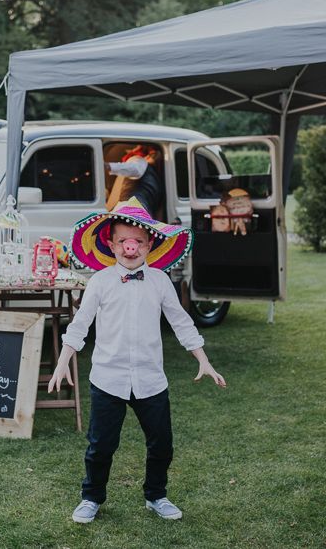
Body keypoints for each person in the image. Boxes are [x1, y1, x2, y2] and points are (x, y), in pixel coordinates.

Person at [50, 197, 226, 524]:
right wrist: (63, 362)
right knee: (100, 447)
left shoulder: (160, 282)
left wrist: (203, 359)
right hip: (108, 379)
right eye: (123, 242)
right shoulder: (100, 282)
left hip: (150, 380)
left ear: (149, 245)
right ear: (111, 244)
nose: (130, 248)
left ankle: (156, 495)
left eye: (138, 242)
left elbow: (182, 322)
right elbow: (80, 325)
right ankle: (91, 497)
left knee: (162, 444)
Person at [105, 145, 162, 215]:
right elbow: (135, 169)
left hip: (133, 208)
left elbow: (135, 169)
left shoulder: (141, 161)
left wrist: (109, 166)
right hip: (135, 208)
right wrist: (109, 167)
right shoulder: (142, 162)